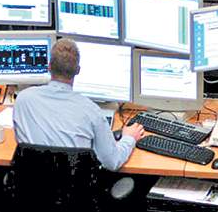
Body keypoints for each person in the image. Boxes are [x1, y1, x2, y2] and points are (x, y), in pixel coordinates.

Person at [13, 39, 144, 172]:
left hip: (29, 183)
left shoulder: (23, 100)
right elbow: (112, 162)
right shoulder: (91, 111)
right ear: (78, 70)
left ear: (49, 67)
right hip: (73, 184)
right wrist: (129, 138)